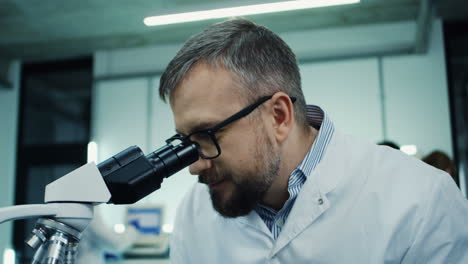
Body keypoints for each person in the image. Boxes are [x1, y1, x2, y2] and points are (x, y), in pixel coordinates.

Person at [159, 18, 468, 263]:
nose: (195, 166)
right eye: (186, 141)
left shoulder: (421, 199)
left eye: (207, 134)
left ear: (278, 116)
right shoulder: (194, 213)